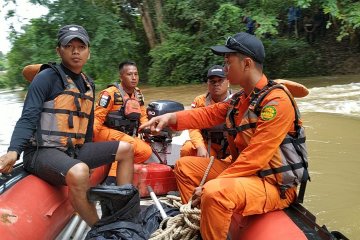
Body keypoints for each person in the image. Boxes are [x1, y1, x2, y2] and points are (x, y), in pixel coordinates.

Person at [139, 32, 309, 239]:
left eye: (228, 62)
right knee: (185, 167)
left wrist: (207, 187)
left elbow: (256, 157)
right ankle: (200, 223)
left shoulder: (276, 102)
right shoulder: (240, 99)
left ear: (246, 64)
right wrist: (170, 117)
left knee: (214, 191)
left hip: (273, 184)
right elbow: (206, 114)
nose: (225, 68)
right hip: (246, 174)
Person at [0, 24, 134, 227]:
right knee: (79, 171)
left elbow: (87, 128)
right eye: (69, 46)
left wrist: (89, 156)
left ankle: (122, 214)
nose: (76, 51)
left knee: (126, 149)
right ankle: (101, 229)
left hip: (73, 150)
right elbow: (28, 117)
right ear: (59, 50)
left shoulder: (88, 83)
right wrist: (13, 151)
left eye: (81, 46)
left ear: (88, 52)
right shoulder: (46, 78)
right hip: (41, 151)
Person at [93, 60, 152, 184]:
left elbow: (142, 116)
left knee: (146, 151)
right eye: (129, 74)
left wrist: (148, 128)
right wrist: (88, 140)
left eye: (136, 74)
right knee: (128, 143)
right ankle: (111, 181)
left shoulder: (138, 94)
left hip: (124, 136)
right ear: (121, 76)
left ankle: (117, 164)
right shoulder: (109, 94)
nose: (134, 78)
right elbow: (97, 119)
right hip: (105, 132)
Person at [180, 65, 231, 159]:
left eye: (220, 80)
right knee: (187, 149)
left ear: (228, 82)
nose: (216, 84)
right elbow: (193, 127)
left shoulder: (237, 100)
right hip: (208, 143)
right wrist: (200, 146)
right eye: (212, 81)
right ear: (208, 84)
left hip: (230, 145)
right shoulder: (200, 101)